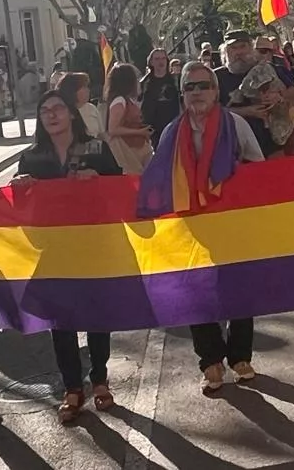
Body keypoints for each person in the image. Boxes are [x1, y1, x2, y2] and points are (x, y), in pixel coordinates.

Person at [137, 61, 265, 393]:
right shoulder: (170, 133)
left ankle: (240, 357)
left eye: (203, 85)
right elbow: (159, 176)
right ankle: (210, 361)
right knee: (196, 290)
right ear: (182, 95)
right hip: (190, 228)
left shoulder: (235, 125)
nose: (197, 93)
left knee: (238, 288)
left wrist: (235, 174)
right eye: (189, 87)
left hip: (231, 224)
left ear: (215, 90)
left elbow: (259, 168)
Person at [11, 91, 124, 423]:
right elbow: (21, 210)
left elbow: (120, 191)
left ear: (72, 114)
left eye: (58, 108)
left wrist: (99, 181)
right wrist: (20, 188)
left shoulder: (96, 148)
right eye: (44, 110)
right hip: (52, 250)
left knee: (96, 315)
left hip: (93, 245)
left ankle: (100, 379)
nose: (51, 115)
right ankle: (72, 388)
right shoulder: (32, 157)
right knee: (60, 322)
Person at [215, 30, 278, 157]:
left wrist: (278, 97)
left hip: (271, 146)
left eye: (243, 46)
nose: (239, 52)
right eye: (233, 48)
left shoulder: (267, 69)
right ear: (225, 51)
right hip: (231, 150)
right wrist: (247, 111)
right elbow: (211, 112)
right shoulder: (214, 78)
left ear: (251, 48)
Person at [103, 62, 153, 175]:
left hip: (138, 147)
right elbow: (113, 129)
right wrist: (139, 132)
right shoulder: (119, 101)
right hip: (127, 150)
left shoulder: (128, 100)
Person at [141, 47, 181, 149]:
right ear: (151, 62)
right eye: (157, 59)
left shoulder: (175, 80)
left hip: (173, 126)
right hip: (152, 129)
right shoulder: (144, 82)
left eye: (163, 58)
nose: (160, 61)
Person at [59, 72, 103, 141]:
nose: (88, 90)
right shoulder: (63, 113)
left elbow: (101, 133)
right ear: (73, 91)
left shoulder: (91, 108)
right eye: (84, 87)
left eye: (88, 86)